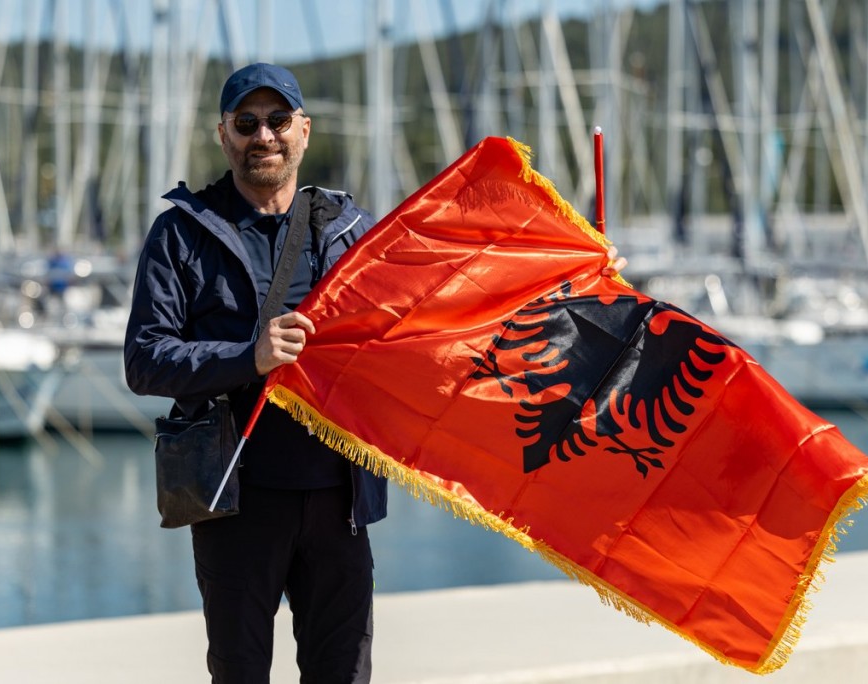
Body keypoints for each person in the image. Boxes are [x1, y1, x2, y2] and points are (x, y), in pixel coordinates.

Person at [124, 62, 627, 683]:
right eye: (246, 123)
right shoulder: (182, 233)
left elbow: (454, 302)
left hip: (339, 503)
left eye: (278, 120)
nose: (264, 136)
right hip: (236, 505)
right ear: (223, 134)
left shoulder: (351, 234)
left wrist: (574, 272)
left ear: (304, 130)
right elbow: (145, 360)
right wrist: (248, 357)